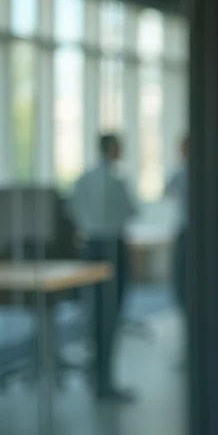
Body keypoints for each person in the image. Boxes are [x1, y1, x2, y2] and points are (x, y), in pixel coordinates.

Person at [70, 133, 137, 402]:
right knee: (110, 314)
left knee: (95, 313)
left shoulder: (83, 179)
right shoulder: (116, 181)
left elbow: (74, 212)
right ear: (112, 149)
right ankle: (104, 379)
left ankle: (98, 374)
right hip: (112, 248)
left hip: (91, 246)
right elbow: (131, 212)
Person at [164, 136, 189, 319]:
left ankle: (184, 307)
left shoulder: (180, 173)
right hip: (189, 230)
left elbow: (167, 192)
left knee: (182, 276)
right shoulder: (181, 172)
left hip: (186, 231)